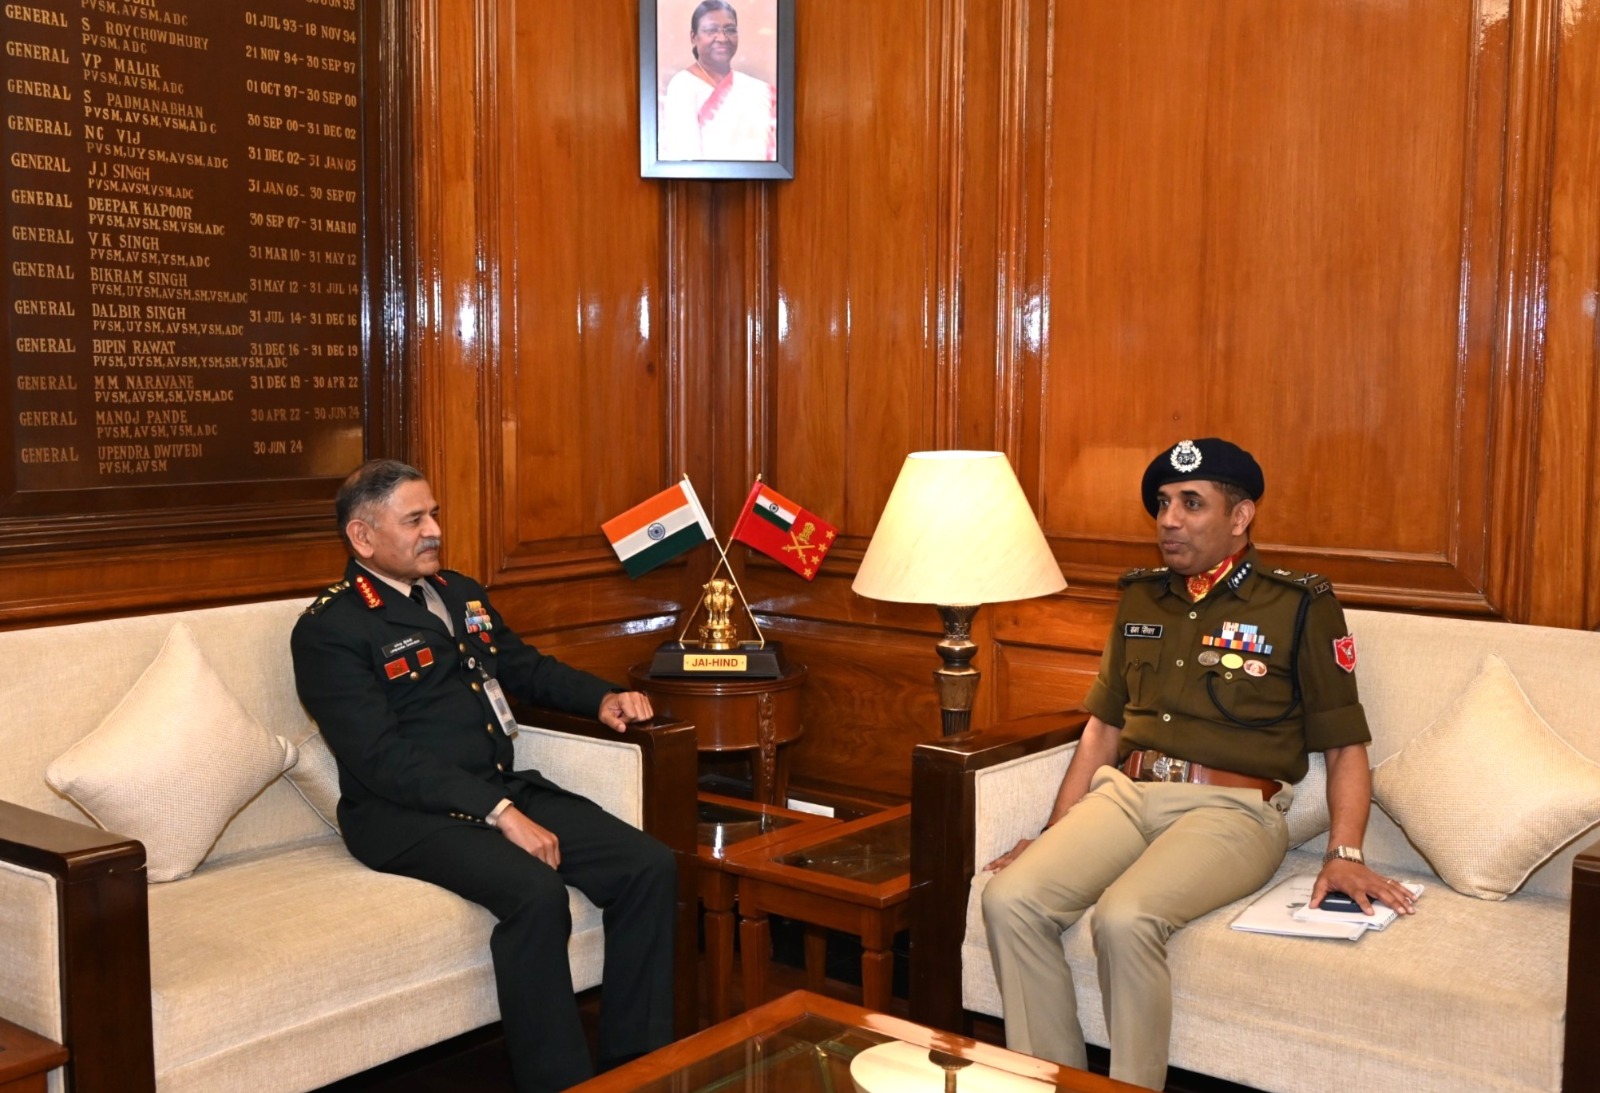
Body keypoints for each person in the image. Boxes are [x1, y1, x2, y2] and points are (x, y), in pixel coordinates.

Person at [981, 438, 1416, 1091]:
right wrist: (1053, 832)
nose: (1169, 520)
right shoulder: (1141, 597)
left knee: (1126, 916)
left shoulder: (1297, 604)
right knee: (1011, 898)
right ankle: (1054, 1081)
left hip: (1233, 811)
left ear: (1240, 516)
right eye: (1163, 504)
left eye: (1191, 503)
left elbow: (1345, 745)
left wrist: (1345, 852)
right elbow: (1102, 729)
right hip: (1125, 795)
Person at [291, 459, 676, 1093]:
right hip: (404, 818)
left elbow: (522, 668)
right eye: (414, 520)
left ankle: (639, 1068)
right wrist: (500, 814)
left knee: (648, 865)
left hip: (496, 787)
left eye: (434, 514)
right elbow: (379, 757)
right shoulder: (331, 629)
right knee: (535, 893)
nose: (434, 530)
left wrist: (601, 697)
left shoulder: (459, 592)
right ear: (362, 536)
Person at [657, 0, 776, 161]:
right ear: (694, 37)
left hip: (759, 178)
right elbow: (685, 159)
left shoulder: (756, 90)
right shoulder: (683, 86)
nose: (722, 38)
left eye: (730, 30)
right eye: (711, 30)